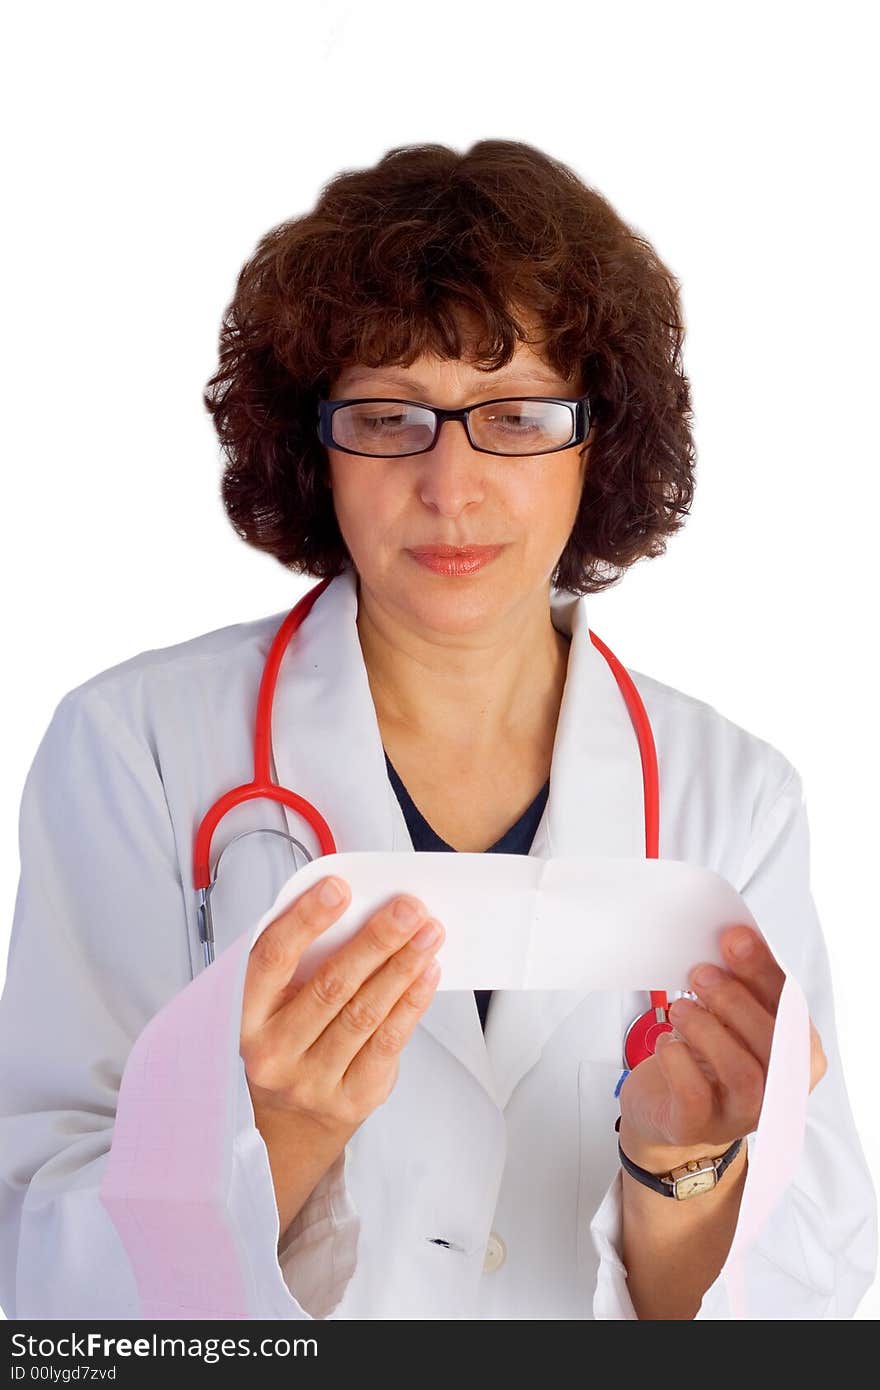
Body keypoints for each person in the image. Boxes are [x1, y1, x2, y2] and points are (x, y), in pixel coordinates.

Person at [0, 139, 875, 1322]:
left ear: (598, 438)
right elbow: (44, 1283)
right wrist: (277, 1135)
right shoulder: (134, 751)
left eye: (515, 415)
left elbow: (802, 1300)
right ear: (313, 443)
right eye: (388, 416)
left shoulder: (736, 796)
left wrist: (685, 1166)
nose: (451, 487)